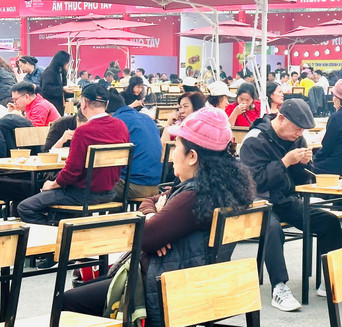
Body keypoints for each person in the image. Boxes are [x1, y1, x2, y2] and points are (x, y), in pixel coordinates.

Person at [61, 107, 255, 326]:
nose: (172, 154)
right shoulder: (220, 188)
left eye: (176, 147)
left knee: (67, 301)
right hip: (203, 282)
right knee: (91, 288)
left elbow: (145, 238)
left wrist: (155, 225)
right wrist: (154, 216)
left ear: (192, 156)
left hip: (167, 289)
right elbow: (152, 201)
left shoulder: (193, 197)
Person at [240, 99, 342, 312]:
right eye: (297, 128)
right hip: (257, 202)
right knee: (272, 228)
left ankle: (331, 279)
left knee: (329, 222)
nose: (299, 134)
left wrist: (304, 164)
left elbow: (300, 181)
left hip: (285, 200)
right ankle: (279, 287)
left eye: (302, 130)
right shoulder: (255, 139)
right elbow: (255, 182)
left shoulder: (297, 139)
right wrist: (285, 162)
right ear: (281, 118)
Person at [17, 84, 130, 225]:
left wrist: (53, 184)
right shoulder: (121, 126)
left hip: (81, 194)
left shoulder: (83, 132)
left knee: (25, 207)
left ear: (84, 102)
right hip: (110, 192)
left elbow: (72, 172)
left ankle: (60, 231)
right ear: (106, 104)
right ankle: (64, 227)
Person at [107, 90, 163, 200]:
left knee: (89, 183)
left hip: (132, 185)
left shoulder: (116, 122)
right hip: (156, 184)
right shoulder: (147, 118)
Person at [40, 50, 74, 116]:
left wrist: (71, 91)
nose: (69, 64)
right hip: (50, 105)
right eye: (67, 62)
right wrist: (62, 89)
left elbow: (63, 88)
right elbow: (46, 88)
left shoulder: (62, 72)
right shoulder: (49, 72)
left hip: (60, 105)